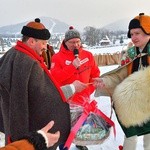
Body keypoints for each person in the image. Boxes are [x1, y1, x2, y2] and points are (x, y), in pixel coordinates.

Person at [0, 18, 87, 150]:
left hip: (13, 128)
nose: (46, 47)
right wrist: (73, 87)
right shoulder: (30, 64)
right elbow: (46, 98)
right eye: (43, 42)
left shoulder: (11, 54)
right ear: (31, 41)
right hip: (28, 138)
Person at [93, 13, 150, 150]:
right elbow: (119, 75)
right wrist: (104, 81)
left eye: (137, 33)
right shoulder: (130, 54)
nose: (134, 37)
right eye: (131, 34)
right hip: (133, 104)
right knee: (130, 135)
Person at [51, 26, 100, 150]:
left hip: (84, 101)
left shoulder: (88, 55)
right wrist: (71, 67)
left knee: (82, 126)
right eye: (72, 42)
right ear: (65, 42)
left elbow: (95, 75)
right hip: (65, 102)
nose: (76, 45)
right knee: (64, 128)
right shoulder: (57, 58)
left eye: (78, 41)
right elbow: (55, 79)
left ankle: (81, 144)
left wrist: (88, 91)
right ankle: (64, 146)